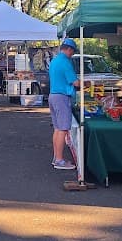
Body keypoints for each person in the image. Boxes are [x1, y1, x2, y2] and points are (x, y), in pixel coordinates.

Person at [48, 39, 84, 170]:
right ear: (69, 49)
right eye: (73, 52)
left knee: (57, 128)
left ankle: (56, 157)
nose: (72, 54)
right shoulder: (65, 62)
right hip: (62, 97)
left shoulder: (55, 61)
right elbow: (75, 82)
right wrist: (86, 84)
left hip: (53, 95)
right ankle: (59, 160)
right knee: (63, 128)